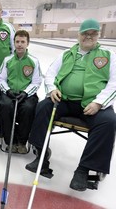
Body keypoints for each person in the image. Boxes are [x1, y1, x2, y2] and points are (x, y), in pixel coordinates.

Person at [25, 19, 116, 191]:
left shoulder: (108, 55)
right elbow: (50, 74)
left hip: (92, 103)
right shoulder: (66, 54)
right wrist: (52, 89)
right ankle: (41, 156)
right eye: (85, 33)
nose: (88, 36)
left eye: (92, 33)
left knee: (109, 121)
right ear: (78, 35)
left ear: (98, 35)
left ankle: (83, 170)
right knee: (43, 107)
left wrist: (98, 103)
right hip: (65, 100)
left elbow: (114, 83)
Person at [0, 30, 42, 154]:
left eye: (23, 42)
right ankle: (10, 141)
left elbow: (36, 82)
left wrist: (26, 93)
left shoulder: (34, 61)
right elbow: (1, 79)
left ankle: (22, 142)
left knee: (28, 108)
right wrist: (8, 90)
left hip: (26, 95)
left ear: (28, 43)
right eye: (17, 41)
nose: (20, 44)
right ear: (14, 43)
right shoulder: (7, 60)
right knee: (6, 106)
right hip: (9, 93)